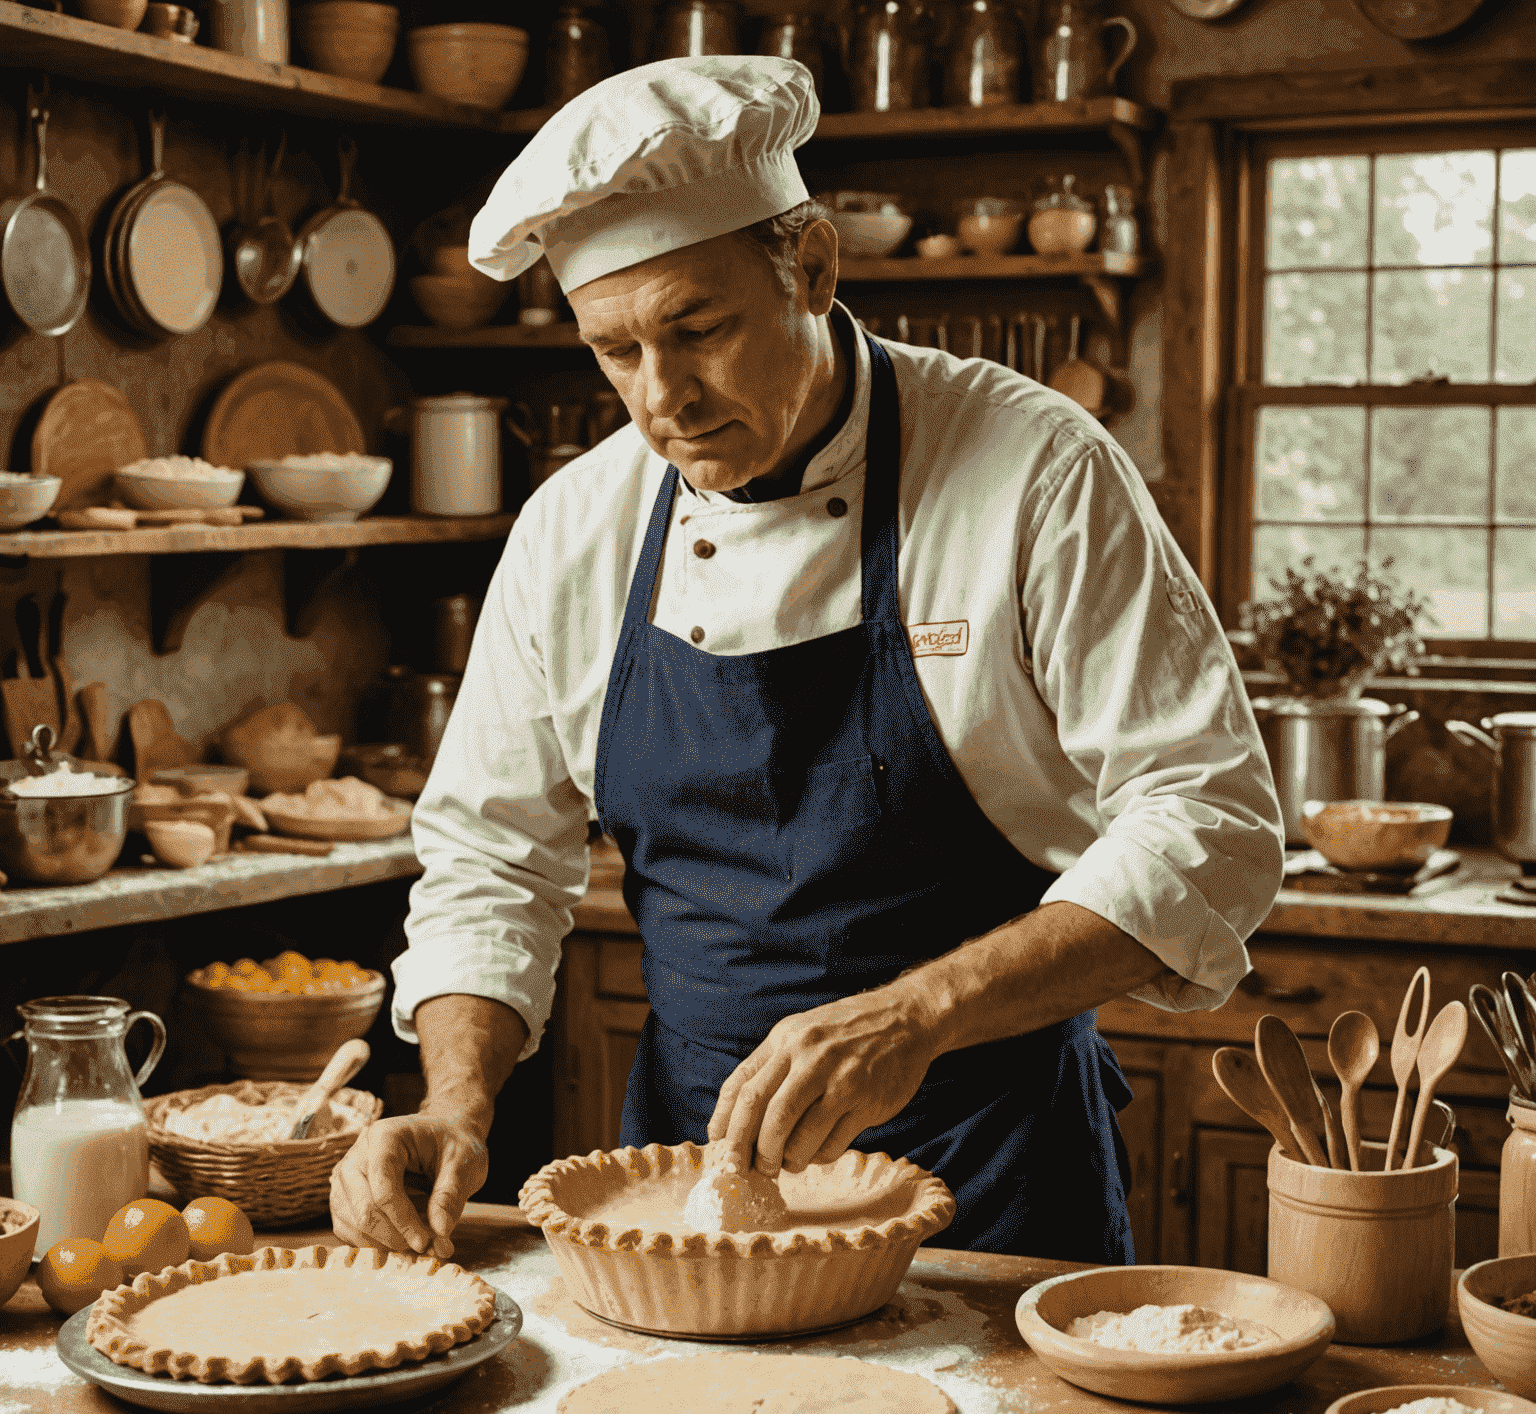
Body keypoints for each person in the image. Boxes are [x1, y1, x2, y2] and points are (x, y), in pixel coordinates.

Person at [329, 55, 1284, 1264]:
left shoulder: (1033, 468)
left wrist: (917, 1013)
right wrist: (456, 1098)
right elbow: (489, 858)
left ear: (813, 266)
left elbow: (1212, 823)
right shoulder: (576, 528)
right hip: (686, 1187)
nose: (662, 397)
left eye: (699, 328)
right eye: (615, 353)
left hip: (991, 1177)